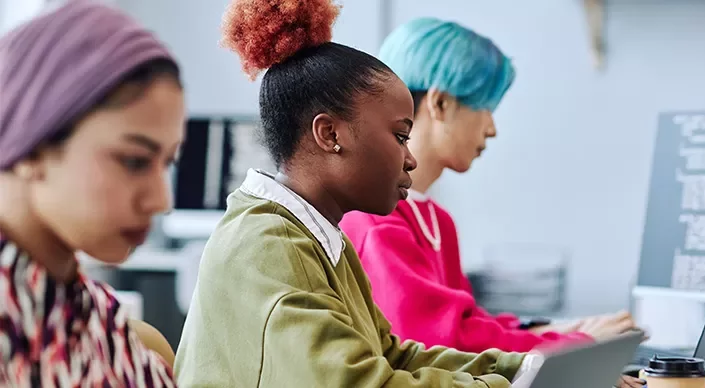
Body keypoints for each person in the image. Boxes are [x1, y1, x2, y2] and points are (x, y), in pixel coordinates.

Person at [173, 1, 542, 387]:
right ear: (329, 134)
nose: (411, 159)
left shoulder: (322, 240)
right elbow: (361, 383)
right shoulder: (270, 245)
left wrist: (521, 369)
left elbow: (391, 354)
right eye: (400, 136)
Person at [338, 18, 645, 387]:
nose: (492, 128)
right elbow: (442, 342)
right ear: (440, 102)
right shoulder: (375, 221)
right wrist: (575, 344)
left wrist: (563, 332)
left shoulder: (437, 220)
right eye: (485, 106)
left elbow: (468, 323)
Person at [0, 0, 185, 386]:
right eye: (135, 161)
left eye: (166, 163)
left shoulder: (103, 324)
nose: (161, 201)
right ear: (32, 148)